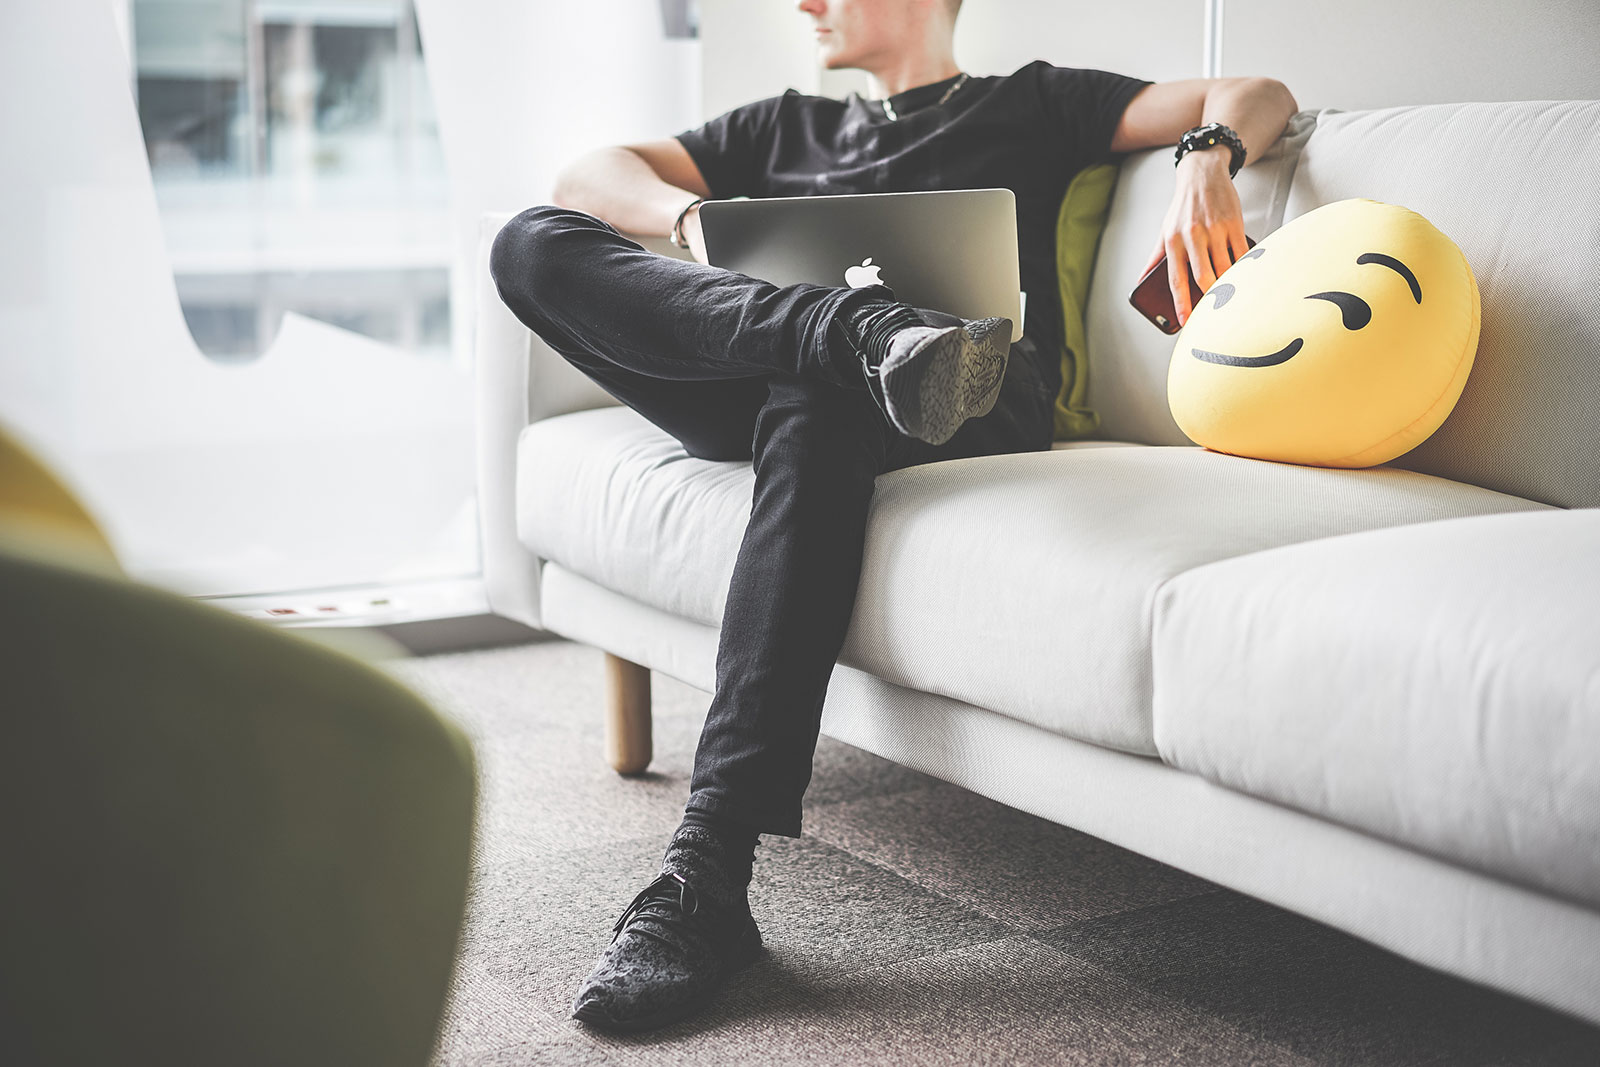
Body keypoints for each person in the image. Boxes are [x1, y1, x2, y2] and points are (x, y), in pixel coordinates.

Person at [488, 0, 1298, 1034]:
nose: (806, 5)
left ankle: (703, 878)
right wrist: (691, 218)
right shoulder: (783, 126)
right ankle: (850, 330)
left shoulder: (1032, 102)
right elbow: (585, 177)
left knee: (817, 399)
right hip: (781, 366)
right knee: (532, 241)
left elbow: (1255, 91)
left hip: (973, 388)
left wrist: (1207, 159)